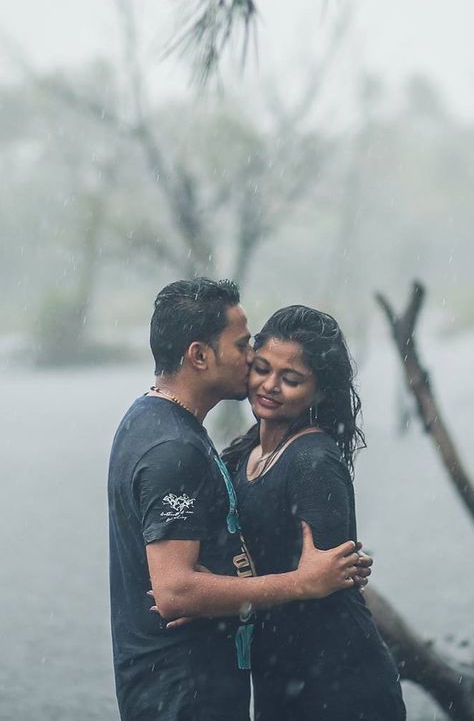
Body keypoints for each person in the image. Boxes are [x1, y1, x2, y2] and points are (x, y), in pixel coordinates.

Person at [108, 279, 369, 721]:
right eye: (245, 345)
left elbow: (330, 579)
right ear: (199, 355)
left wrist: (220, 588)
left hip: (306, 685)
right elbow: (175, 592)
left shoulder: (153, 421)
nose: (251, 358)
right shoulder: (174, 449)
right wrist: (296, 583)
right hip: (183, 690)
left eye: (289, 377)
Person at [223, 305, 406, 721]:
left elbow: (326, 582)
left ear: (319, 392)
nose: (269, 386)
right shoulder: (246, 453)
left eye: (290, 379)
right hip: (279, 669)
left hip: (337, 679)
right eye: (262, 368)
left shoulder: (312, 461)